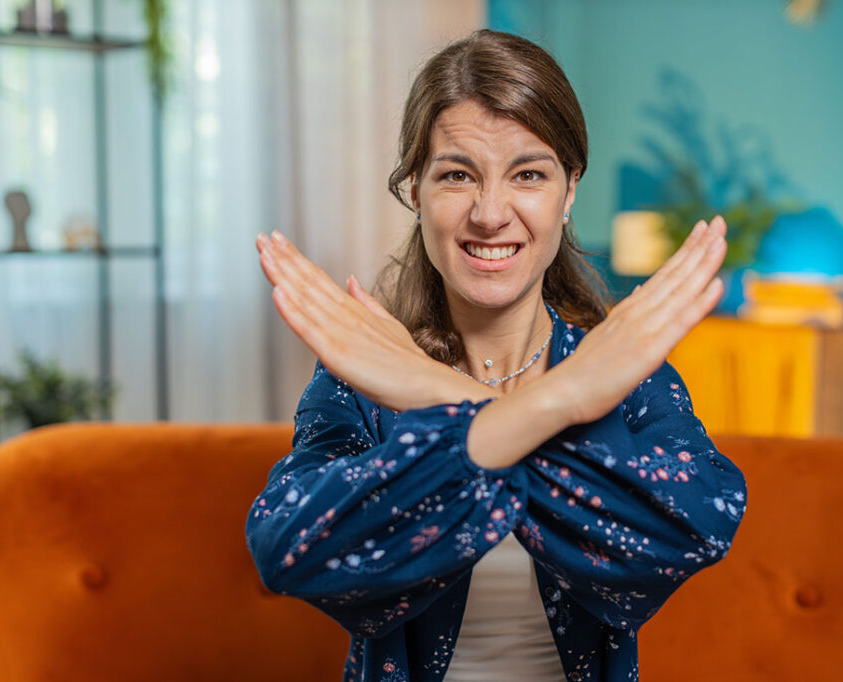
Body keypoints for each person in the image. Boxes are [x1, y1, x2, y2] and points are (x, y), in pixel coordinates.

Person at [245, 29, 746, 682]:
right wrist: (558, 402)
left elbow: (696, 528)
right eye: (457, 175)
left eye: (528, 174)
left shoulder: (618, 370)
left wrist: (434, 392)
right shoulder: (363, 375)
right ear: (415, 191)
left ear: (569, 190)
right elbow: (290, 549)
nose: (489, 213)